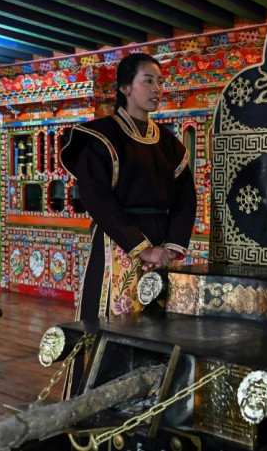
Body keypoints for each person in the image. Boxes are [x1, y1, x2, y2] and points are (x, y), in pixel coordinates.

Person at [61, 53, 197, 321]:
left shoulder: (170, 144)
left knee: (157, 320)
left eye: (159, 82)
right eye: (148, 81)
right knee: (115, 318)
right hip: (119, 240)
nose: (157, 89)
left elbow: (186, 198)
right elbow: (98, 200)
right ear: (125, 88)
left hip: (161, 245)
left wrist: (170, 247)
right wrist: (142, 248)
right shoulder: (100, 137)